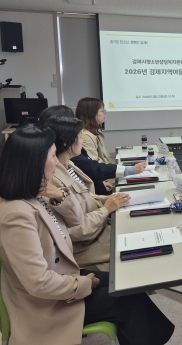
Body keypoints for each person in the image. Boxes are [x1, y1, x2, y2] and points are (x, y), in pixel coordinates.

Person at [0, 125, 178, 345]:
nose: (56, 162)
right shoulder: (16, 215)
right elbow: (38, 283)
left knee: (126, 285)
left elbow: (76, 219)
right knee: (123, 301)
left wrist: (60, 195)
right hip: (43, 305)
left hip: (61, 278)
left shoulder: (36, 193)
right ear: (34, 163)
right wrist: (83, 284)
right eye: (52, 156)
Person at [43, 115, 130, 269]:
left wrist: (110, 200)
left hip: (99, 228)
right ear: (66, 142)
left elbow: (87, 197)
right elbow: (72, 231)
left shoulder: (69, 164)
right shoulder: (53, 180)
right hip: (88, 244)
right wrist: (106, 209)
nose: (82, 141)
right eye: (80, 137)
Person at [39, 105, 146, 195]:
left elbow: (87, 193)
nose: (81, 140)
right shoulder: (57, 171)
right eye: (102, 110)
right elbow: (93, 169)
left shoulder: (70, 163)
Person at [75, 97, 114, 164]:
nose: (104, 113)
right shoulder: (85, 136)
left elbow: (106, 157)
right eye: (102, 110)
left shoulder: (96, 131)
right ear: (91, 113)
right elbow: (95, 163)